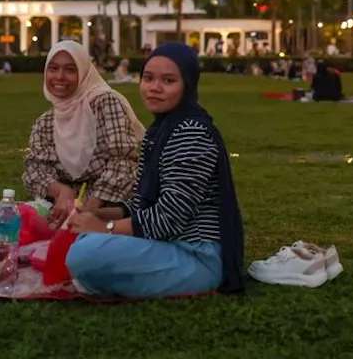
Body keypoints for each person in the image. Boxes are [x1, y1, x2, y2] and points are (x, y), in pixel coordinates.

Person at [64, 42, 245, 298]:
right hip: (169, 245)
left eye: (168, 80)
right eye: (148, 78)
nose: (155, 88)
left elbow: (168, 219)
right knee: (82, 241)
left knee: (86, 253)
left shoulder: (191, 132)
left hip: (196, 256)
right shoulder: (161, 130)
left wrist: (104, 228)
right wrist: (99, 214)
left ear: (188, 85)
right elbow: (140, 203)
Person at [23, 41, 145, 227]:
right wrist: (63, 192)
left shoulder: (105, 103)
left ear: (84, 73)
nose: (59, 77)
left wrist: (90, 206)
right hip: (65, 208)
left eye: (70, 70)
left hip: (110, 205)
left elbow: (123, 161)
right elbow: (34, 171)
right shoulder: (45, 123)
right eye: (53, 68)